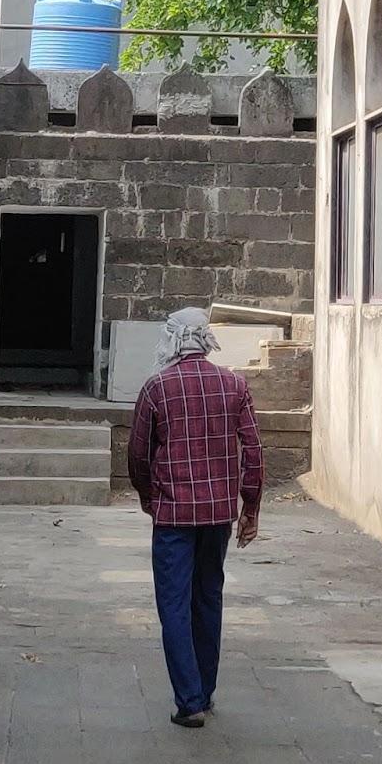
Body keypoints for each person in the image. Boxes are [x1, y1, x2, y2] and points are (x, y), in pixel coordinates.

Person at [127, 306, 264, 730]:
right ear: (206, 339)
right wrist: (250, 508)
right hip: (219, 514)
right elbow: (254, 453)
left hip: (173, 515)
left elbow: (137, 455)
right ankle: (204, 690)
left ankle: (189, 701)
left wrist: (149, 497)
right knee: (209, 598)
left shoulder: (157, 388)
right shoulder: (234, 384)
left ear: (172, 339)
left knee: (174, 605)